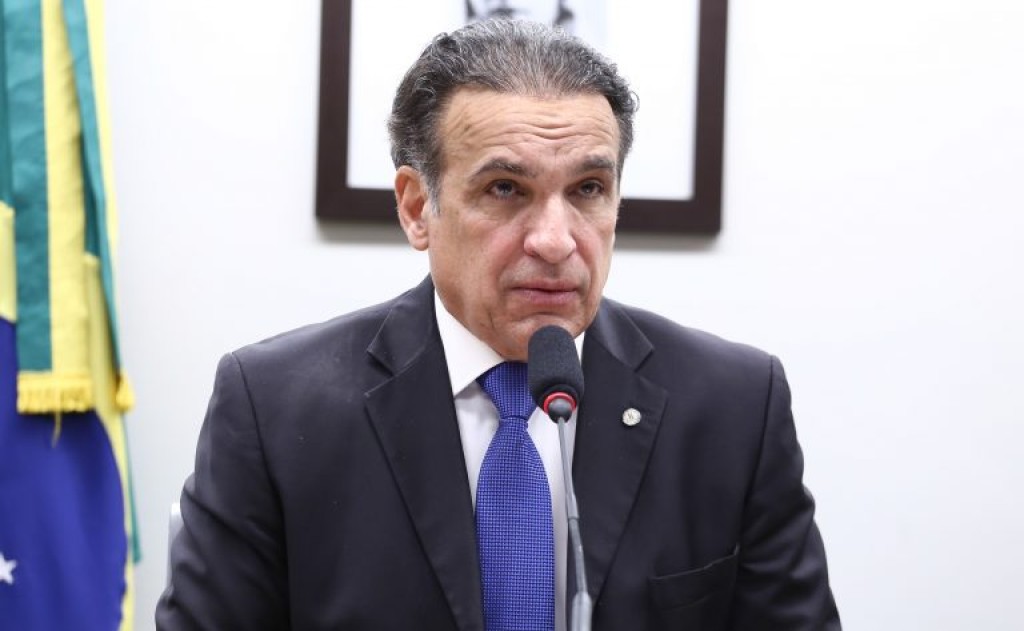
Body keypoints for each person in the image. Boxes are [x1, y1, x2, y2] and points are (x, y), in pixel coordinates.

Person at [157, 18, 840, 631]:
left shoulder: (733, 407)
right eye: (506, 189)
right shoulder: (274, 409)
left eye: (588, 190)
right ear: (417, 208)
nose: (555, 240)